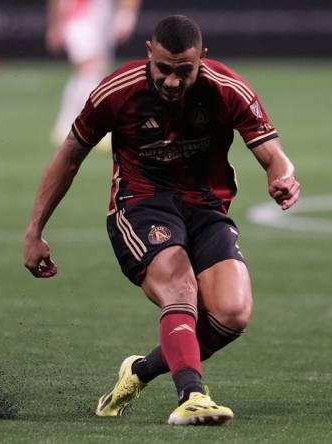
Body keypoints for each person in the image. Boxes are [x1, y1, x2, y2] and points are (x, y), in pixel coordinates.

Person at [24, 15, 300, 426]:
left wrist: (283, 177)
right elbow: (69, 156)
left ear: (201, 60)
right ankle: (192, 395)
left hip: (205, 208)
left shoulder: (227, 89)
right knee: (180, 285)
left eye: (184, 71)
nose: (173, 81)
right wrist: (35, 231)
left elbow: (274, 153)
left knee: (233, 313)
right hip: (140, 205)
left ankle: (139, 372)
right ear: (149, 54)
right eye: (164, 70)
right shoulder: (118, 90)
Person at [46, 0, 142, 147]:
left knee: (94, 73)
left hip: (102, 18)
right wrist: (56, 23)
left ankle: (67, 125)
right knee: (90, 69)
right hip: (78, 17)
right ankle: (88, 127)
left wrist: (126, 15)